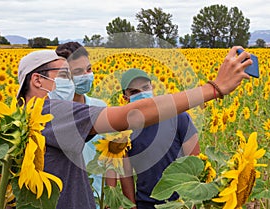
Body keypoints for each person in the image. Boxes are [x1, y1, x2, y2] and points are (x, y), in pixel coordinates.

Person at [15, 46, 251, 209]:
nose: (73, 83)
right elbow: (130, 115)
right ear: (37, 80)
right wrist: (214, 88)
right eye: (65, 75)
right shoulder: (50, 112)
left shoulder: (19, 124)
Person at [119, 68, 200, 208]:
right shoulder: (124, 129)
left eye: (145, 88)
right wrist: (131, 205)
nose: (142, 94)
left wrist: (192, 201)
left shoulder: (178, 116)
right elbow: (125, 173)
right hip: (146, 202)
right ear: (125, 98)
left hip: (180, 202)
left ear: (152, 87)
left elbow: (195, 161)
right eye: (134, 92)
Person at [55, 42, 107, 207]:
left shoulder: (100, 108)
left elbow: (110, 157)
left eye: (89, 69)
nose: (86, 75)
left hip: (97, 198)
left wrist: (110, 197)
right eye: (77, 72)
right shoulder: (52, 115)